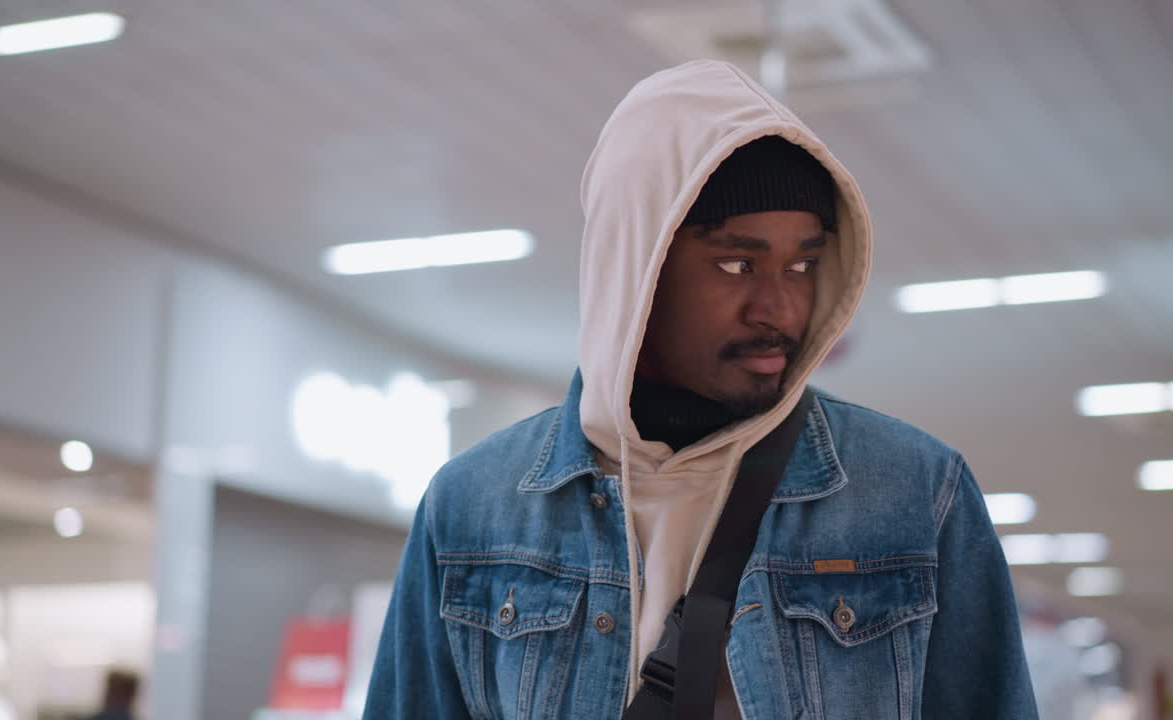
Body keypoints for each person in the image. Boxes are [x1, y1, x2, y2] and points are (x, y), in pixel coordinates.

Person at [364, 59, 1037, 719]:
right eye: (737, 263)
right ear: (640, 269)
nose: (779, 308)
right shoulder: (473, 507)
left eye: (802, 264)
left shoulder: (916, 491)